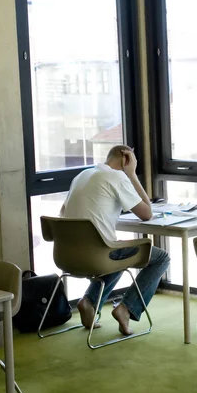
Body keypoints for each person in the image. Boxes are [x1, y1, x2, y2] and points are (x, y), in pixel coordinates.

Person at [60, 144, 170, 336]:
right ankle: (127, 308)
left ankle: (89, 302)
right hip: (98, 255)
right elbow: (147, 213)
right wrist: (132, 175)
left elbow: (63, 212)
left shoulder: (82, 175)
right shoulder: (116, 177)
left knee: (119, 250)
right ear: (126, 158)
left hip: (67, 255)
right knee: (161, 258)